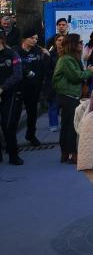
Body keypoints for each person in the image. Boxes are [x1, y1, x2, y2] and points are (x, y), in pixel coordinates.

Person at [52, 34, 93, 163]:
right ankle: (71, 153)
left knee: (68, 125)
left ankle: (66, 153)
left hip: (71, 95)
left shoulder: (71, 58)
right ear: (73, 44)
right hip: (68, 96)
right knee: (71, 126)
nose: (81, 44)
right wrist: (91, 71)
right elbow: (76, 76)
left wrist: (87, 71)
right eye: (80, 42)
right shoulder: (67, 59)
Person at [14, 27, 49, 146]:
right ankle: (11, 139)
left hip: (34, 87)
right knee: (15, 114)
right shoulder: (15, 51)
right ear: (24, 39)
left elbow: (44, 68)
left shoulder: (38, 51)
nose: (34, 40)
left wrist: (47, 56)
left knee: (32, 113)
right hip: (18, 88)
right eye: (32, 38)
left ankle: (31, 135)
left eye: (36, 38)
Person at [0, 32, 22, 164]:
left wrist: (2, 88)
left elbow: (17, 74)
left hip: (10, 94)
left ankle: (13, 154)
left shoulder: (12, 54)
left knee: (8, 125)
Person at [45, 33, 66, 132]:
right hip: (53, 84)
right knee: (53, 105)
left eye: (63, 40)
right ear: (55, 42)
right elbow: (46, 70)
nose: (61, 42)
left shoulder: (68, 54)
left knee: (66, 106)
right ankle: (53, 124)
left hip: (66, 84)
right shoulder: (50, 54)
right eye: (59, 40)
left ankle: (65, 124)